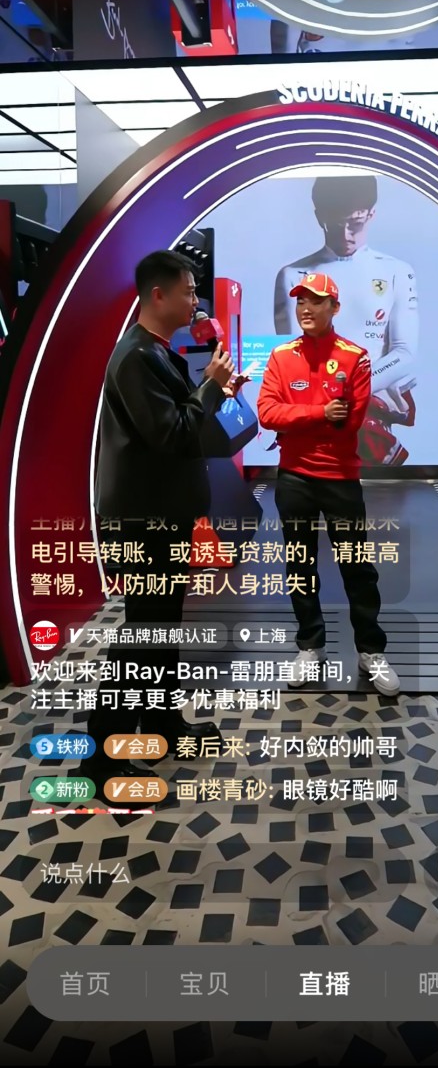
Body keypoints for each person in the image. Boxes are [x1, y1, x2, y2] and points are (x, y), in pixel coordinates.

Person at [83, 250, 235, 794]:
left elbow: (178, 425)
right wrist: (210, 386)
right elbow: (171, 434)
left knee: (161, 628)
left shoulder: (155, 351)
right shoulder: (135, 357)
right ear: (158, 295)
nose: (196, 301)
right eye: (189, 290)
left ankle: (163, 724)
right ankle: (102, 759)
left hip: (161, 515)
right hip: (142, 520)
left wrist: (213, 391)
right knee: (142, 635)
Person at [258, 272, 401, 696]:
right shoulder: (281, 356)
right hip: (294, 477)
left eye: (316, 301)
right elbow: (267, 413)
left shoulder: (355, 357)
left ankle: (370, 650)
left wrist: (297, 415)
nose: (306, 308)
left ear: (334, 308)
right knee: (299, 565)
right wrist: (319, 412)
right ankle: (310, 646)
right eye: (301, 300)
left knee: (357, 567)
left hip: (340, 478)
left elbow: (350, 422)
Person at [274, 176, 418, 465]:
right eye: (335, 225)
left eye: (355, 224)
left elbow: (404, 353)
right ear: (319, 217)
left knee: (365, 490)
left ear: (371, 214)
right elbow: (292, 356)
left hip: (369, 419)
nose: (345, 235)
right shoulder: (292, 275)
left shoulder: (398, 271)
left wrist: (353, 390)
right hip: (313, 415)